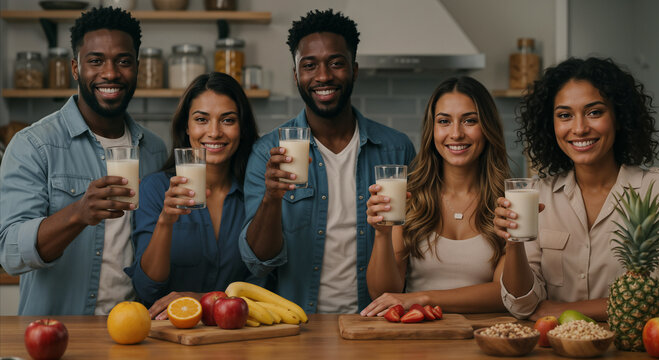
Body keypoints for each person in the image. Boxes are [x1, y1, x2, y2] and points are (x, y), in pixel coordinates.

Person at [239, 9, 416, 314]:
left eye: (336, 63)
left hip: (375, 322)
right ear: (296, 75)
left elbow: (416, 249)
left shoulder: (396, 149)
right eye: (310, 66)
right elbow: (259, 262)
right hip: (296, 325)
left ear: (354, 70)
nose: (323, 76)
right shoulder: (268, 151)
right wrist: (271, 198)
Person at [0, 7, 167, 315]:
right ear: (75, 69)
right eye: (96, 61)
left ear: (137, 68)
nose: (111, 73)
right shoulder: (34, 145)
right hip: (60, 334)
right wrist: (78, 214)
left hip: (134, 330)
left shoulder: (155, 149)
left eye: (123, 61)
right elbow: (10, 253)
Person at [494, 57, 659, 320]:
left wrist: (561, 310)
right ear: (551, 126)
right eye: (565, 115)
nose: (580, 128)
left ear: (618, 117)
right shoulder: (539, 195)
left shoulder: (655, 191)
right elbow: (522, 305)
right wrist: (513, 242)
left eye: (594, 112)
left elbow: (654, 297)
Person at [360, 77, 510, 317]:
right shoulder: (410, 197)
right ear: (432, 130)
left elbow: (507, 294)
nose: (456, 133)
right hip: (419, 342)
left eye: (470, 121)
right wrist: (382, 234)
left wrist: (422, 298)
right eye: (444, 121)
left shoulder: (507, 202)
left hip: (486, 340)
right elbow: (383, 294)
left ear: (487, 127)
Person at [126, 72, 260, 319]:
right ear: (186, 127)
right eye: (201, 119)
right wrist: (166, 220)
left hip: (237, 339)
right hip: (168, 337)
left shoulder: (255, 194)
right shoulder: (155, 189)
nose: (214, 132)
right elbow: (147, 289)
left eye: (228, 120)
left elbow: (262, 287)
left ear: (242, 128)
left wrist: (202, 299)